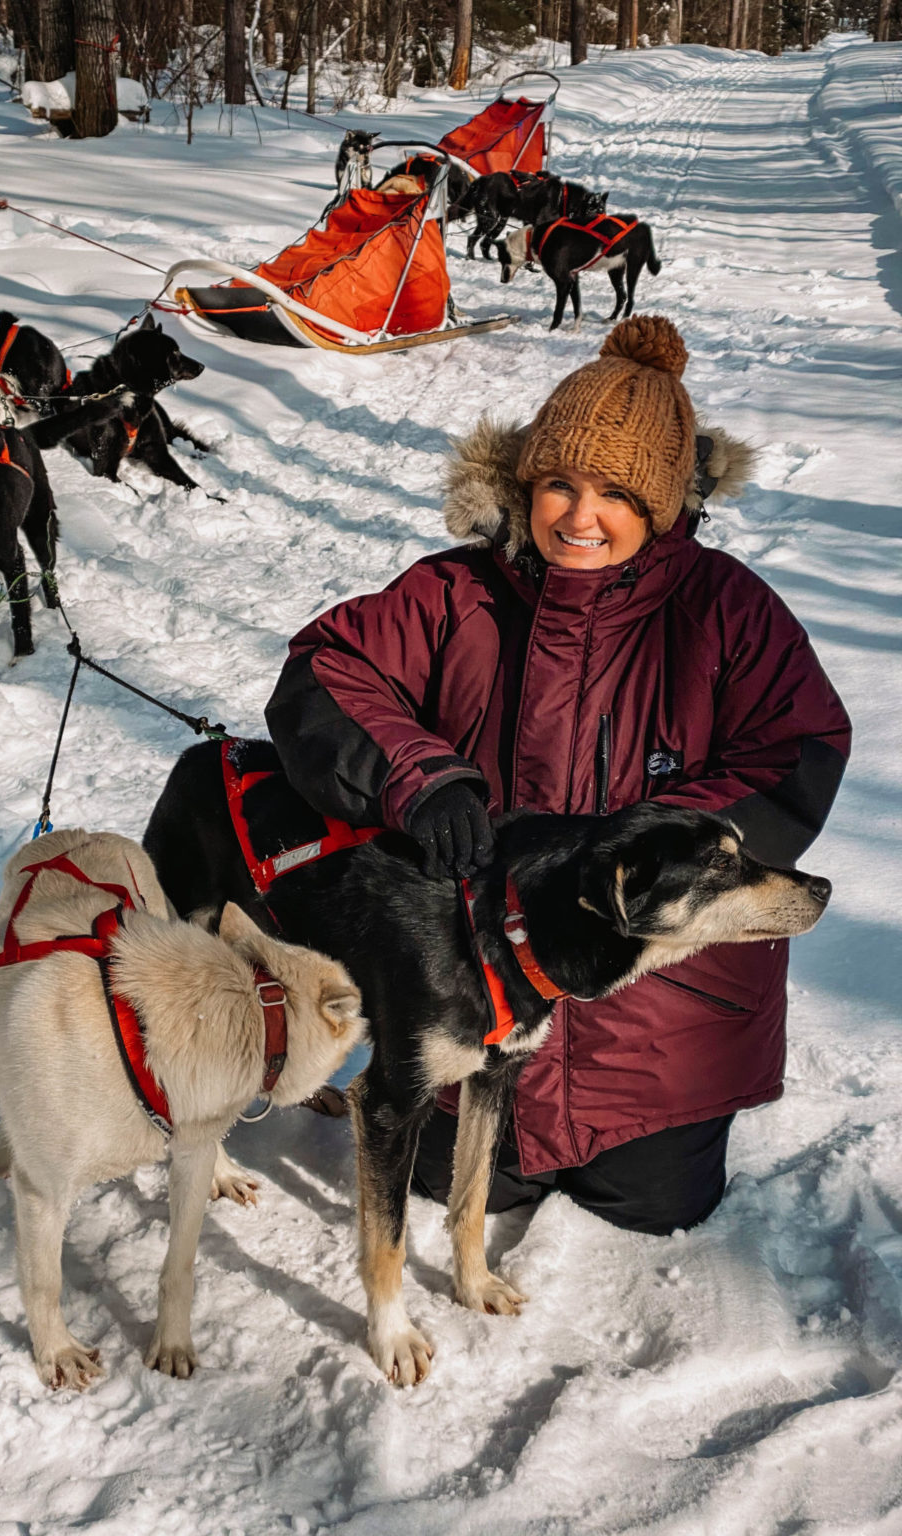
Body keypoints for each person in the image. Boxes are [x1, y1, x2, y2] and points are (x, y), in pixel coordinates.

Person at [263, 315, 851, 1235]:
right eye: (559, 483)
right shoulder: (455, 593)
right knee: (449, 1185)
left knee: (657, 1214)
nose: (580, 517)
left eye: (616, 492)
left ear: (660, 504)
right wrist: (417, 774)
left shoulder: (726, 608)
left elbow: (797, 748)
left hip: (662, 1034)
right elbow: (328, 675)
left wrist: (641, 843)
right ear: (523, 480)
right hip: (470, 991)